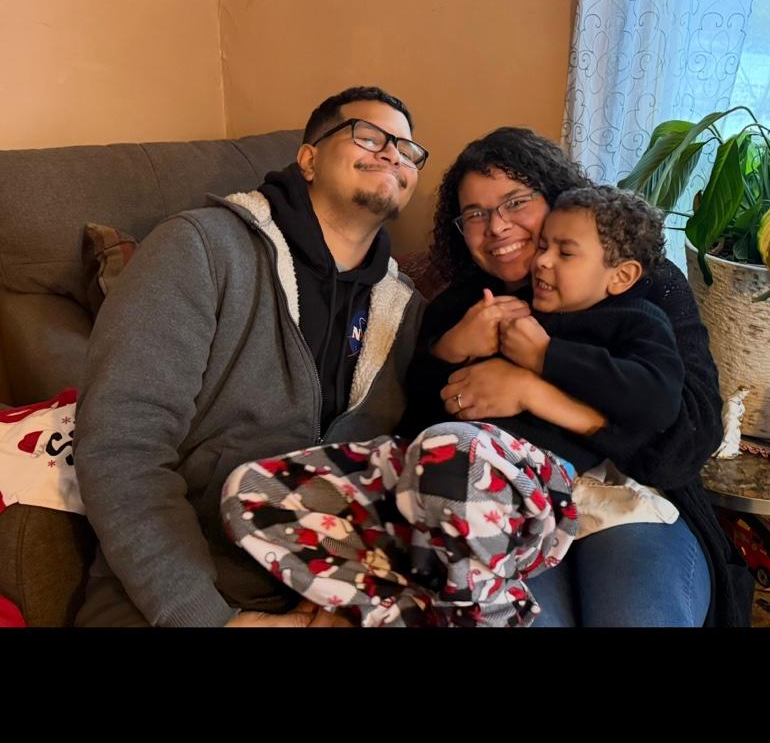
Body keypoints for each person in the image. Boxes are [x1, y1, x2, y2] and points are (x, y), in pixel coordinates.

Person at [221, 185, 683, 626]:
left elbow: (658, 402)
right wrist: (453, 347)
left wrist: (545, 357)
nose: (541, 260)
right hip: (427, 476)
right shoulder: (501, 304)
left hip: (528, 490)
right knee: (250, 491)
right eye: (543, 245)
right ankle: (405, 604)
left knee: (455, 448)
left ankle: (492, 612)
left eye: (565, 253)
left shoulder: (636, 322)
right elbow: (422, 397)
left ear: (621, 276)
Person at [72, 85, 428, 627]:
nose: (392, 155)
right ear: (308, 159)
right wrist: (208, 616)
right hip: (179, 591)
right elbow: (122, 445)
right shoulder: (199, 248)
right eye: (370, 136)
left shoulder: (407, 313)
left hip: (337, 593)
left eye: (407, 150)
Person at [401, 127, 752, 627]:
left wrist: (534, 392)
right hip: (512, 512)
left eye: (516, 202)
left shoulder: (641, 286)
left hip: (632, 499)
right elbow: (421, 433)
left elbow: (687, 442)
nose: (496, 226)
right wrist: (448, 351)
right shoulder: (462, 309)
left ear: (556, 199)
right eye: (475, 214)